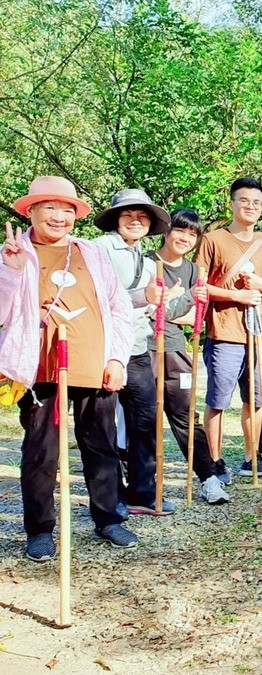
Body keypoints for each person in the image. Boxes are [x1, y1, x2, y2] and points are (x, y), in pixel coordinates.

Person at [1, 176, 138, 557]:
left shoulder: (91, 252)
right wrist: (10, 272)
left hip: (94, 364)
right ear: (31, 211)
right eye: (50, 209)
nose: (59, 217)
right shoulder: (13, 253)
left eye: (67, 210)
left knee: (102, 446)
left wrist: (116, 358)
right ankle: (39, 529)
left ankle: (108, 518)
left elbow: (118, 306)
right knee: (41, 452)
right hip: (40, 369)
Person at [195, 177, 262, 479]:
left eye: (256, 203)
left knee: (256, 399)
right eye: (244, 200)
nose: (250, 207)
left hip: (260, 335)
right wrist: (236, 295)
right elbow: (199, 285)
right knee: (218, 399)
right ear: (231, 203)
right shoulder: (214, 240)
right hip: (225, 332)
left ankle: (250, 457)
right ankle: (215, 461)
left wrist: (259, 285)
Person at [93, 188, 174, 515]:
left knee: (145, 420)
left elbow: (151, 303)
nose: (135, 221)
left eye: (142, 216)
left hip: (138, 347)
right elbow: (99, 299)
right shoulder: (98, 249)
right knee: (102, 427)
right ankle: (111, 498)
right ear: (116, 219)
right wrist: (144, 296)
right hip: (104, 349)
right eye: (128, 215)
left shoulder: (146, 258)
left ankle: (142, 491)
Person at [146, 209, 230, 504]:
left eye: (193, 234)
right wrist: (172, 306)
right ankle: (141, 486)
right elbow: (142, 308)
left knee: (185, 415)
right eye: (180, 231)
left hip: (175, 349)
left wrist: (174, 306)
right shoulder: (146, 263)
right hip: (142, 350)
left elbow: (194, 315)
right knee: (143, 418)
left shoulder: (195, 271)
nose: (185, 238)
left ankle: (209, 478)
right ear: (166, 232)